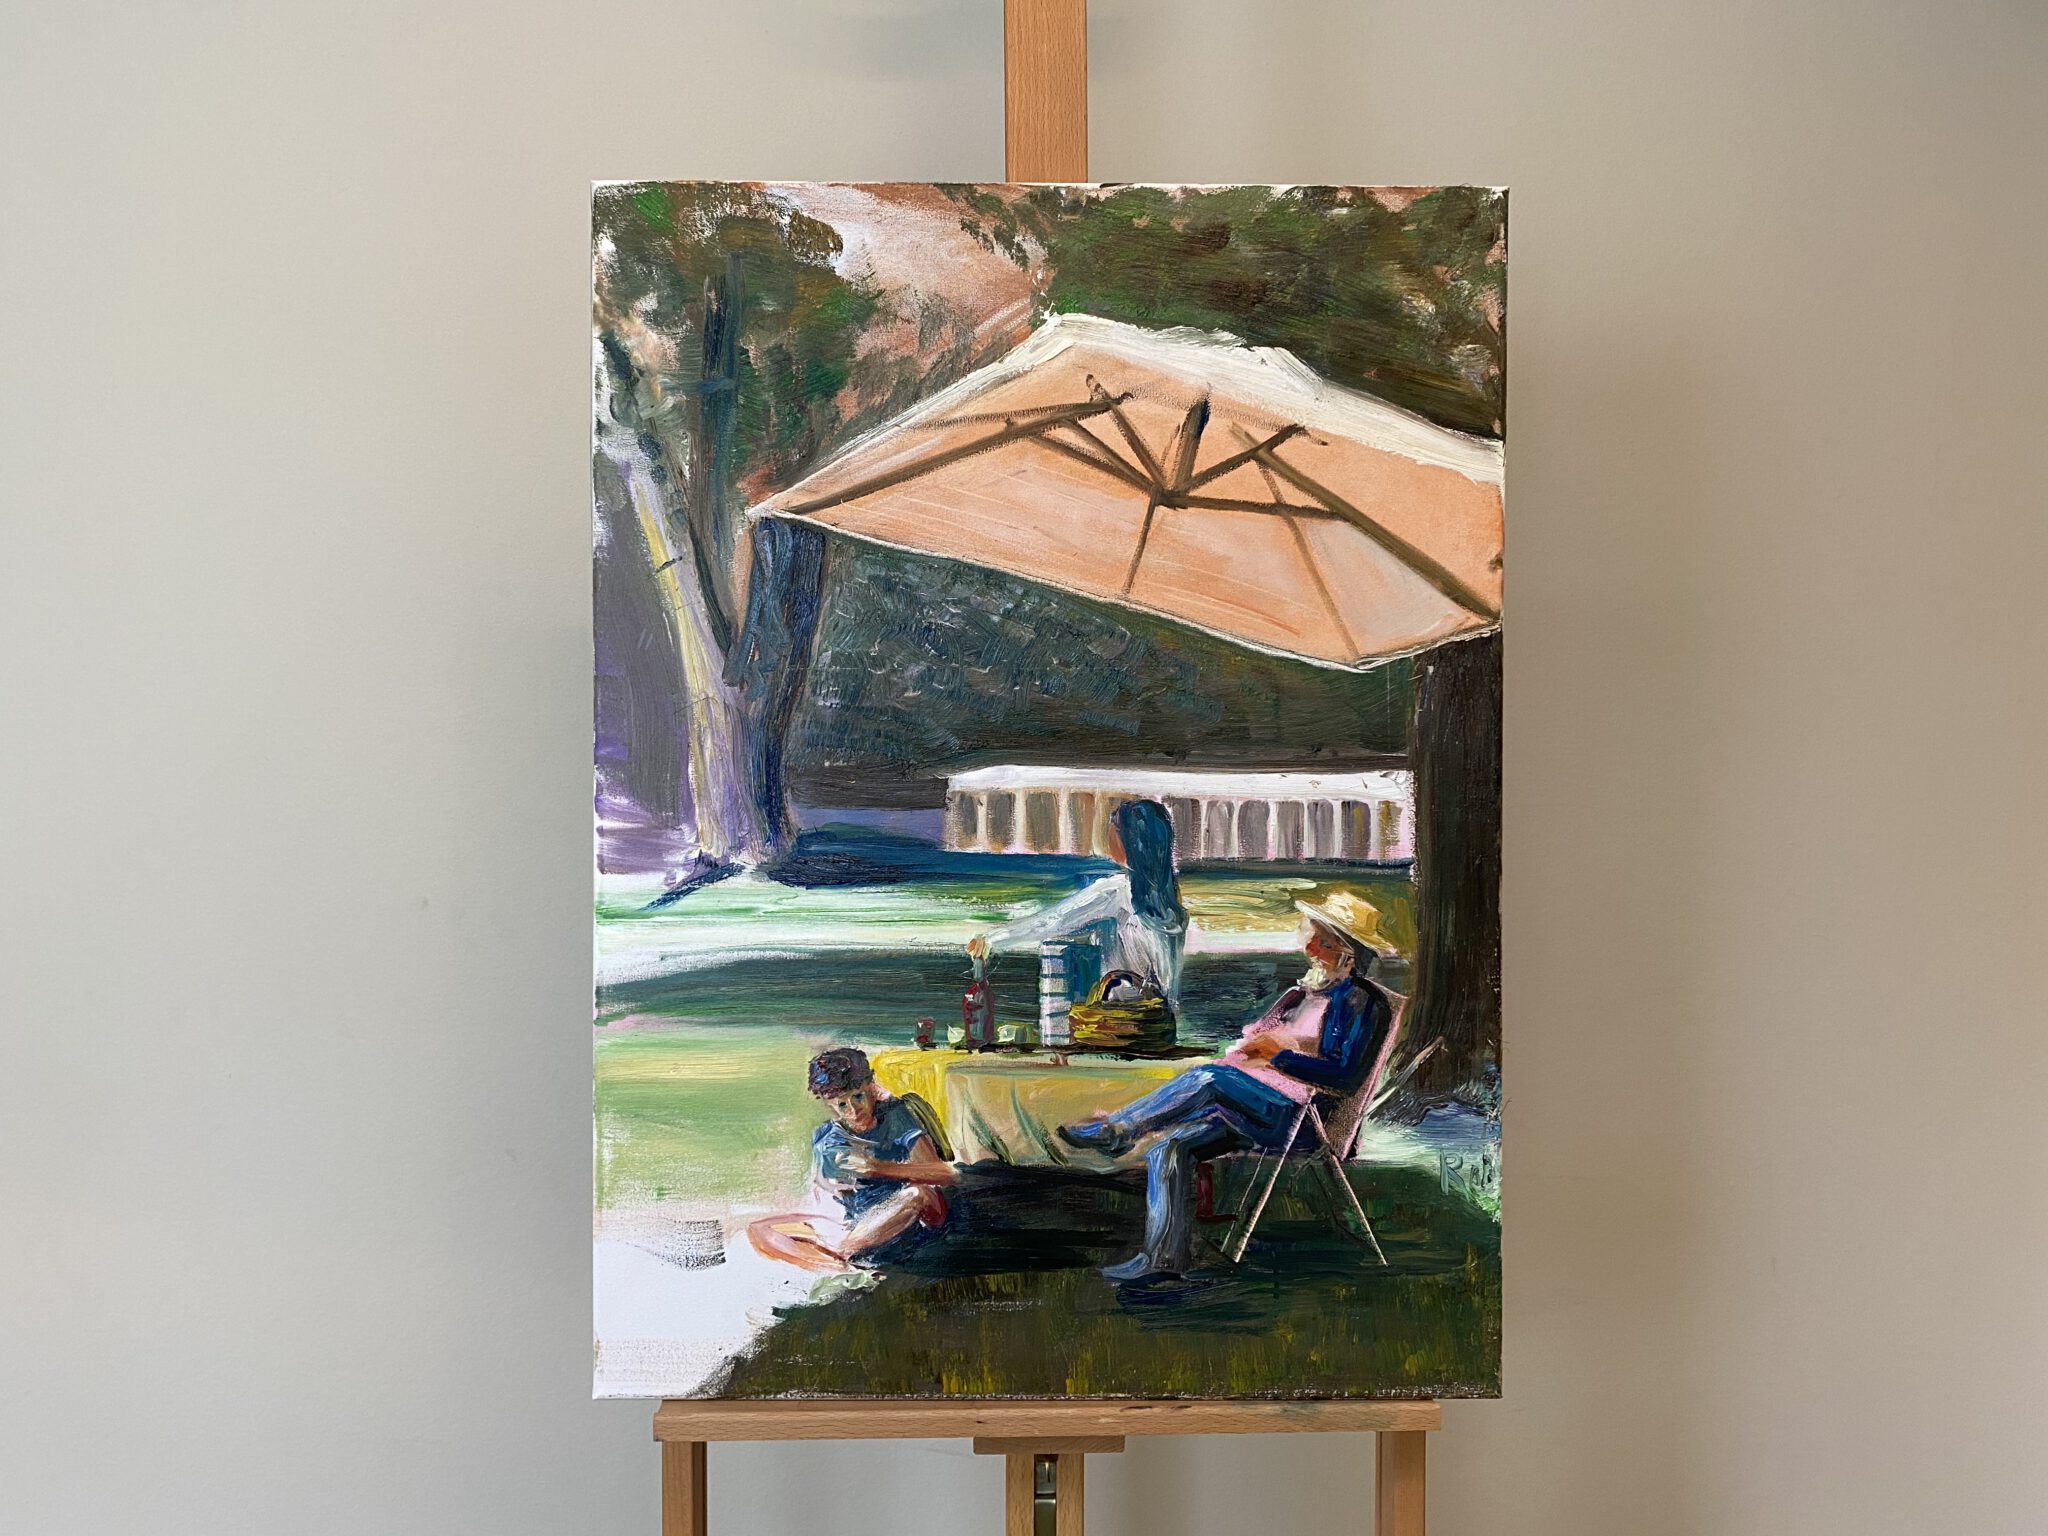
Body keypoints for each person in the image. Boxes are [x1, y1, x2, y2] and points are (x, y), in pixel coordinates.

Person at [1056, 889, 1397, 1281]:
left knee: (1207, 1078)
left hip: (1303, 1122)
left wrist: (1276, 1057)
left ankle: (1120, 1130)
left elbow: (1344, 1077)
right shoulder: (1303, 995)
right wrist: (1252, 1050)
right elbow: (1258, 1042)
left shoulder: (1360, 1002)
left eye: (1324, 942)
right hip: (1257, 1107)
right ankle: (1163, 1260)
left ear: (1349, 955)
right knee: (1171, 1147)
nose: (1310, 948)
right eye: (1313, 937)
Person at [747, 1047, 955, 1273]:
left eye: (858, 1097)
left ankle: (840, 1255)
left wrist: (874, 1168)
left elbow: (943, 1173)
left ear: (871, 1087)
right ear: (828, 1103)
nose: (854, 1111)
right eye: (842, 1105)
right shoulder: (826, 1137)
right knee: (757, 1230)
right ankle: (838, 1266)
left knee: (919, 1194)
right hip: (848, 1223)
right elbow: (829, 1198)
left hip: (890, 1216)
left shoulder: (896, 1117)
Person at [967, 797, 1187, 1006]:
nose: (1107, 838)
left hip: (1121, 1017)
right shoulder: (1169, 901)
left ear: (1129, 842)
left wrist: (992, 938)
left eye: (1114, 831)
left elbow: (1056, 920)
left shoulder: (1118, 891)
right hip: (1159, 1018)